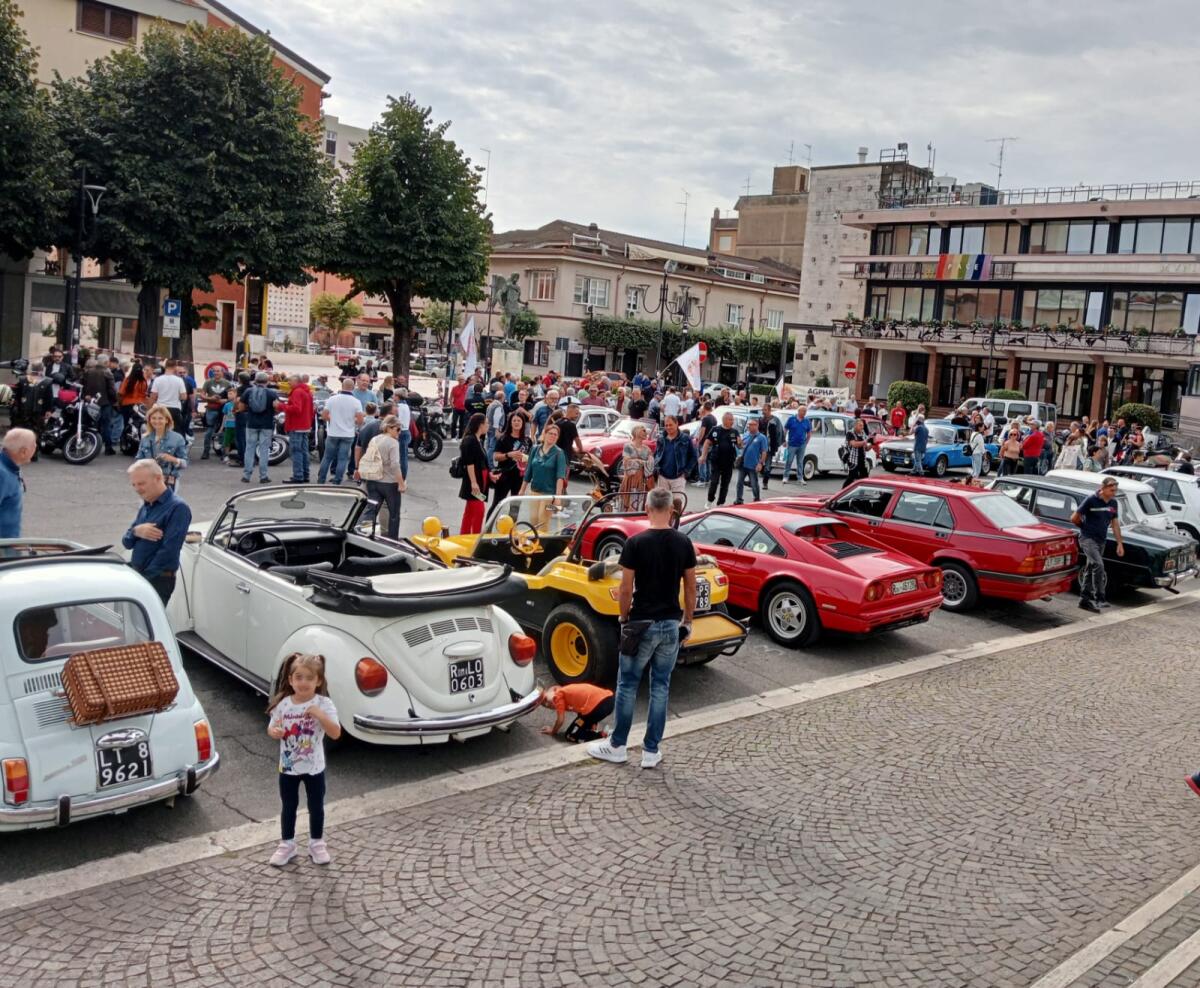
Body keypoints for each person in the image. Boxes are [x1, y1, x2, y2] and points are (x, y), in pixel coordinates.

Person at [587, 487, 696, 770]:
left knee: (627, 685)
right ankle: (651, 751)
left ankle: (618, 745)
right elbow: (691, 585)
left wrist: (623, 617)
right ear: (672, 511)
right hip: (671, 624)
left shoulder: (635, 543)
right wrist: (688, 620)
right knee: (661, 685)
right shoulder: (683, 542)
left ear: (647, 510)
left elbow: (626, 587)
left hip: (640, 623)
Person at [266, 652, 340, 867]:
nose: (303, 682)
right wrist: (275, 731)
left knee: (316, 806)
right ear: (290, 680)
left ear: (318, 681)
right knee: (288, 805)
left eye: (309, 678)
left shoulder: (324, 704)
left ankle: (316, 843)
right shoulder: (284, 704)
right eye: (298, 677)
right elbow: (272, 727)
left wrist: (320, 714)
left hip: (314, 768)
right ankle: (287, 844)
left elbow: (335, 733)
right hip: (288, 767)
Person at [122, 459, 191, 604]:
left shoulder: (178, 508)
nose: (137, 489)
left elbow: (169, 551)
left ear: (159, 478)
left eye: (141, 483)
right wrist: (136, 531)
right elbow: (127, 542)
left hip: (156, 581)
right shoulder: (147, 505)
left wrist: (143, 580)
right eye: (133, 485)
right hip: (139, 576)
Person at [1070, 475, 1123, 613]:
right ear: (1103, 488)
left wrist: (1119, 543)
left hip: (1101, 540)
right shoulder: (1091, 500)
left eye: (1115, 490)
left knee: (1090, 568)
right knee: (1098, 565)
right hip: (1088, 539)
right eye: (1111, 490)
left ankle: (1084, 600)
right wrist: (1085, 528)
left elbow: (1115, 524)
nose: (1114, 493)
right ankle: (1100, 597)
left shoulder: (1113, 503)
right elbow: (1074, 518)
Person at [358, 415, 406, 539]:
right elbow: (395, 464)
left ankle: (364, 535)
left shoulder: (375, 439)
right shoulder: (393, 443)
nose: (399, 432)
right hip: (389, 483)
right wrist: (401, 483)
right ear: (389, 428)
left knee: (371, 510)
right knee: (394, 514)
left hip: (373, 480)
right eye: (398, 429)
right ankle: (392, 540)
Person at [318, 379, 365, 485]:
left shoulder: (332, 399)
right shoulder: (356, 402)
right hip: (348, 434)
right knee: (343, 458)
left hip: (333, 433)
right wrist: (351, 421)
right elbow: (360, 420)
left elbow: (324, 416)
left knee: (327, 457)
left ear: (342, 386)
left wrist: (333, 419)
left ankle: (321, 479)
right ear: (353, 388)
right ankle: (337, 480)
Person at [540, 683, 615, 743]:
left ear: (553, 689)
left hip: (599, 706)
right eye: (545, 706)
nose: (547, 704)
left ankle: (602, 736)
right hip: (607, 700)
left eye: (546, 699)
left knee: (570, 735)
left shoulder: (557, 696)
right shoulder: (566, 693)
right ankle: (594, 731)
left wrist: (553, 731)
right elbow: (580, 712)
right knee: (583, 719)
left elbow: (560, 720)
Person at [137, 404, 188, 490]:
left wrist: (172, 459)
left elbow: (184, 463)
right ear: (149, 420)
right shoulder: (145, 438)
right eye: (153, 418)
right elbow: (138, 459)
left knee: (166, 503)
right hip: (148, 480)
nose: (157, 421)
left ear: (167, 420)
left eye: (160, 418)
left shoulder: (177, 438)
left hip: (169, 482)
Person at [241, 371, 280, 485]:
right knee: (264, 450)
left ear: (255, 380)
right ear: (267, 381)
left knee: (249, 449)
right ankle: (263, 476)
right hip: (266, 424)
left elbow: (241, 407)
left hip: (251, 423)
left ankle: (246, 475)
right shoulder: (272, 393)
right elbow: (277, 408)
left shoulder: (248, 391)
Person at [700, 411, 741, 508]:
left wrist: (740, 443)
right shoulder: (715, 430)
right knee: (714, 482)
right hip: (716, 461)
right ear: (725, 420)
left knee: (725, 484)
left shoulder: (734, 432)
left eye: (733, 420)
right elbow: (707, 443)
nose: (732, 422)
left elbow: (740, 446)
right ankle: (709, 500)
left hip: (729, 462)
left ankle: (721, 503)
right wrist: (703, 455)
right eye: (730, 420)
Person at [653, 415, 696, 506]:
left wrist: (686, 472)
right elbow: (656, 454)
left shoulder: (685, 438)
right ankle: (665, 520)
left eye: (670, 425)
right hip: (663, 476)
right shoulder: (661, 438)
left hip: (678, 476)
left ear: (677, 424)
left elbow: (693, 456)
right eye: (666, 425)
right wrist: (656, 469)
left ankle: (676, 520)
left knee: (677, 503)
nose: (668, 427)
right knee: (663, 504)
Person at [0, 429, 36, 539]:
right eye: (34, 445)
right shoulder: (2, 474)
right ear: (23, 452)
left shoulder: (11, 467)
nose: (36, 447)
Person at [278, 374, 314, 484]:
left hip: (297, 425)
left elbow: (296, 409)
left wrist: (281, 406)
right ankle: (305, 474)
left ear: (296, 382)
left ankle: (298, 476)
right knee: (303, 451)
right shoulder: (307, 392)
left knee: (296, 451)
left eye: (290, 381)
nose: (288, 383)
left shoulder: (297, 392)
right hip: (304, 425)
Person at [458, 413, 491, 534]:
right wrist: (473, 482)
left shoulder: (477, 439)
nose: (488, 425)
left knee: (470, 510)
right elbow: (469, 463)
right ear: (480, 425)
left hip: (480, 478)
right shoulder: (470, 440)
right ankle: (474, 536)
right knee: (478, 511)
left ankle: (465, 534)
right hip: (475, 479)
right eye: (486, 423)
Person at [80, 357, 118, 455]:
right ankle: (108, 448)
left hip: (91, 402)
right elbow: (112, 390)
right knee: (106, 425)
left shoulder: (89, 372)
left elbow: (82, 386)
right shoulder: (108, 373)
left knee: (90, 424)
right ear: (106, 362)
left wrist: (85, 396)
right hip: (105, 402)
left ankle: (89, 446)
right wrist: (114, 400)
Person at [520, 421, 568, 497]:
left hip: (550, 494)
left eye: (555, 434)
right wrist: (522, 490)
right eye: (550, 433)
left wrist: (558, 497)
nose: (552, 436)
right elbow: (528, 471)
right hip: (534, 492)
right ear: (545, 434)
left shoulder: (559, 453)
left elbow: (560, 477)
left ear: (558, 437)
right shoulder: (534, 449)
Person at [491, 412, 530, 505]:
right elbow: (496, 457)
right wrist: (508, 455)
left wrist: (526, 459)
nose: (516, 422)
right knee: (497, 504)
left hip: (520, 477)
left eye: (519, 420)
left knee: (515, 506)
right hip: (504, 476)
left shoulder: (528, 441)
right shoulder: (503, 438)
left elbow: (531, 459)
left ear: (523, 423)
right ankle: (491, 520)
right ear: (510, 423)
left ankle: (513, 520)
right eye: (514, 420)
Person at [618, 423, 653, 509]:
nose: (646, 433)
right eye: (643, 430)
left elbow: (651, 464)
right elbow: (626, 463)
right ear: (637, 432)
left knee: (638, 504)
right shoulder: (628, 446)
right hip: (630, 479)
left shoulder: (647, 449)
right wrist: (642, 462)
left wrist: (637, 461)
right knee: (626, 503)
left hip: (641, 480)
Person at [148, 360, 189, 436]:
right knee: (175, 432)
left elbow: (153, 396)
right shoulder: (179, 380)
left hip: (161, 408)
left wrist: (150, 409)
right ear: (175, 367)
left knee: (160, 431)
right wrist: (176, 396)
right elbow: (184, 397)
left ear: (165, 366)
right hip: (175, 408)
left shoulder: (158, 380)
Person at [735, 417, 770, 504]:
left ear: (757, 425)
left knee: (754, 483)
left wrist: (761, 463)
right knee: (739, 483)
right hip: (743, 464)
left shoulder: (762, 438)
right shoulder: (746, 435)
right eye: (748, 425)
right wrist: (738, 443)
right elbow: (741, 447)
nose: (749, 427)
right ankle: (739, 499)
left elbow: (764, 452)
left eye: (751, 425)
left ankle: (756, 499)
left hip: (753, 465)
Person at [199, 366, 230, 461]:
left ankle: (223, 452)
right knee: (209, 431)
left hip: (223, 410)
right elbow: (202, 395)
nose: (216, 373)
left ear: (222, 372)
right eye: (214, 371)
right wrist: (210, 399)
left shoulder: (227, 383)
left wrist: (224, 400)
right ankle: (206, 451)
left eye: (218, 371)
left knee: (223, 431)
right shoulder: (208, 382)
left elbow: (232, 396)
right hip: (211, 409)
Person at [781, 404, 811, 485]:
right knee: (789, 461)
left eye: (805, 411)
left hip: (802, 444)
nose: (804, 413)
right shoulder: (791, 419)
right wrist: (784, 440)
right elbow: (785, 429)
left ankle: (800, 478)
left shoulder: (806, 421)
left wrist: (806, 442)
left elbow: (809, 432)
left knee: (800, 462)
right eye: (803, 411)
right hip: (792, 444)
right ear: (798, 411)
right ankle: (786, 477)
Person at [842, 417, 871, 488]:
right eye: (860, 425)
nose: (862, 427)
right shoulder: (850, 433)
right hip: (853, 459)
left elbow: (866, 448)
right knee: (851, 477)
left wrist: (872, 443)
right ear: (855, 425)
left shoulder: (863, 433)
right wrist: (865, 442)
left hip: (862, 460)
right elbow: (854, 444)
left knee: (865, 478)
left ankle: (862, 494)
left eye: (863, 426)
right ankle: (842, 492)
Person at [759, 404, 782, 490]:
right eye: (762, 410)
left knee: (767, 466)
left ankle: (765, 483)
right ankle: (752, 482)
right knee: (757, 464)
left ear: (769, 410)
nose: (763, 411)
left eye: (765, 410)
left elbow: (779, 432)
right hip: (760, 447)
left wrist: (778, 444)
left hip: (769, 447)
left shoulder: (775, 420)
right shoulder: (761, 419)